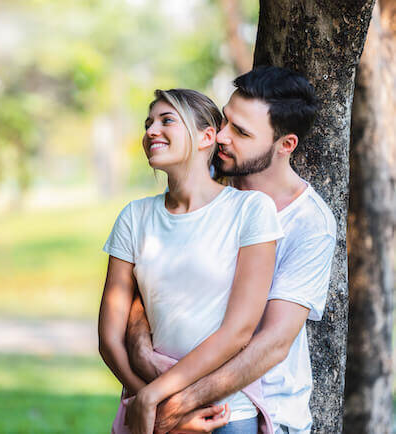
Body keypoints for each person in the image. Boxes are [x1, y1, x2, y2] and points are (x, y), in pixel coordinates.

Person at [125, 66, 337, 433]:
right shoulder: (202, 191)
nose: (221, 136)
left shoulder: (310, 223)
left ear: (284, 145)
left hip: (262, 413)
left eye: (240, 132)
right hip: (170, 392)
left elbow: (271, 343)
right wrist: (141, 350)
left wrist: (178, 405)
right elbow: (148, 284)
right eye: (225, 121)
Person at [98, 87, 284, 434]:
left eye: (167, 120)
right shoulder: (134, 218)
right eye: (148, 123)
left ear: (206, 137)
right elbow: (110, 337)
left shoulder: (250, 210)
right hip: (150, 413)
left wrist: (163, 399)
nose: (151, 131)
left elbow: (238, 331)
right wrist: (152, 404)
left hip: (225, 414)